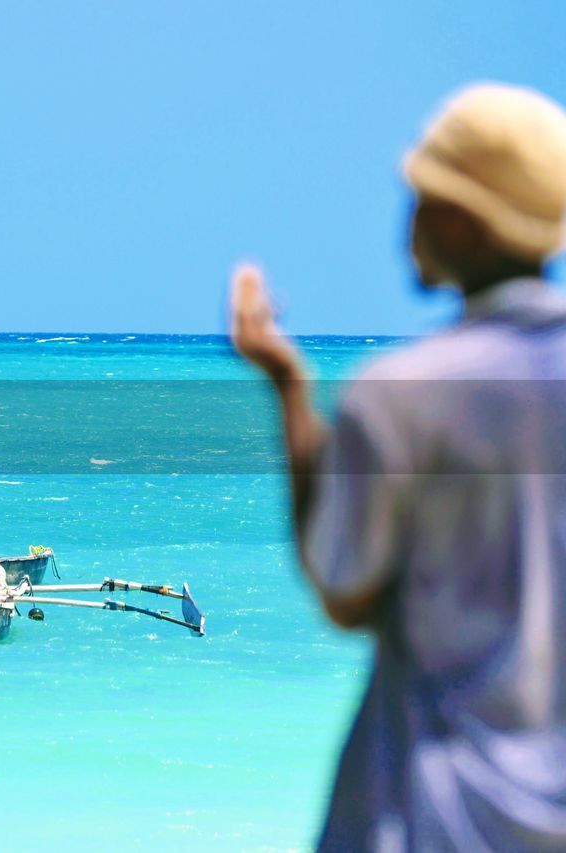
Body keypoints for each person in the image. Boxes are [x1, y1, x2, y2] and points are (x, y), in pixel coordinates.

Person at [229, 83, 566, 850]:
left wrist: (289, 388)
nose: (406, 220)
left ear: (460, 218)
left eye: (420, 196)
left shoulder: (402, 395)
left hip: (431, 812)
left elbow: (345, 591)